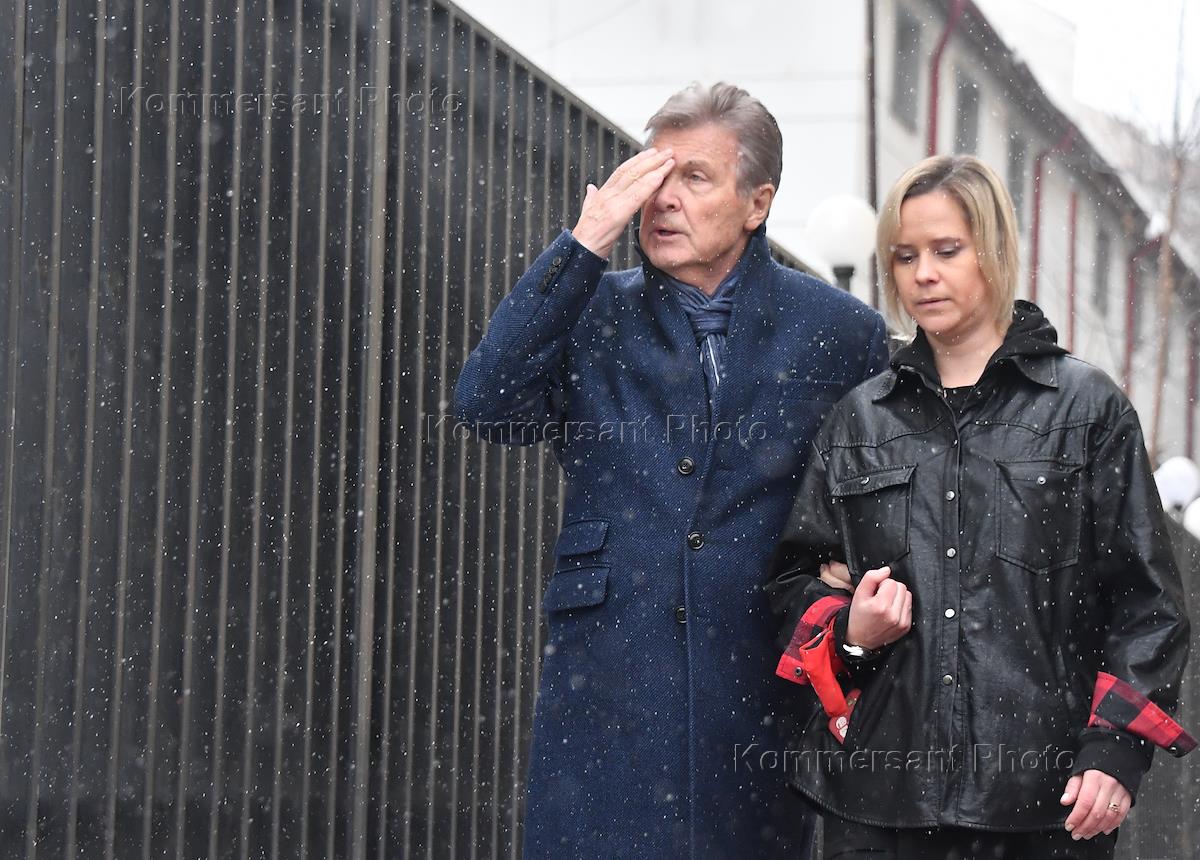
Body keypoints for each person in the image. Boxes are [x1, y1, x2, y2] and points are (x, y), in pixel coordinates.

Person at [455, 82, 889, 858]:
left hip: (756, 691)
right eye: (656, 174)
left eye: (695, 177)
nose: (664, 198)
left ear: (757, 203)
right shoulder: (587, 309)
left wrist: (849, 575)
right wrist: (583, 242)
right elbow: (488, 405)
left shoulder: (840, 332)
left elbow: (876, 493)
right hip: (607, 686)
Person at [766, 154, 1194, 859]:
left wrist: (1115, 750)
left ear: (993, 251)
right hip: (878, 806)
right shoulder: (860, 422)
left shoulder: (1086, 411)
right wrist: (851, 630)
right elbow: (792, 585)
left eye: (947, 250)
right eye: (905, 255)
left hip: (1042, 804)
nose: (923, 274)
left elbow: (1146, 603)